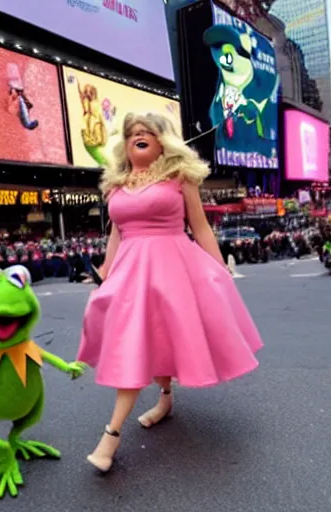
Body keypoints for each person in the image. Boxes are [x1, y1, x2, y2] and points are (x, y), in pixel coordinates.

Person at [77, 112, 263, 473]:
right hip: (131, 276)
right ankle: (161, 402)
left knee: (155, 339)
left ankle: (111, 436)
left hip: (175, 270)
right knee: (134, 346)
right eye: (132, 133)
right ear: (125, 143)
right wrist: (104, 274)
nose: (139, 137)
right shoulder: (116, 183)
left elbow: (200, 226)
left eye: (147, 132)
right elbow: (117, 233)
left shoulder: (179, 177)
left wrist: (220, 269)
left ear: (163, 140)